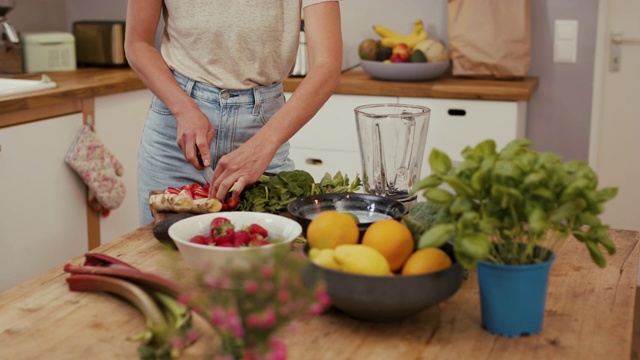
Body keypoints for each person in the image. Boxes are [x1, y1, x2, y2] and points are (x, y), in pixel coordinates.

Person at [125, 0, 343, 225]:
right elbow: (137, 43)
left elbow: (327, 66)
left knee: (269, 257)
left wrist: (262, 146)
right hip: (177, 134)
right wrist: (183, 109)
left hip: (263, 128)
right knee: (161, 257)